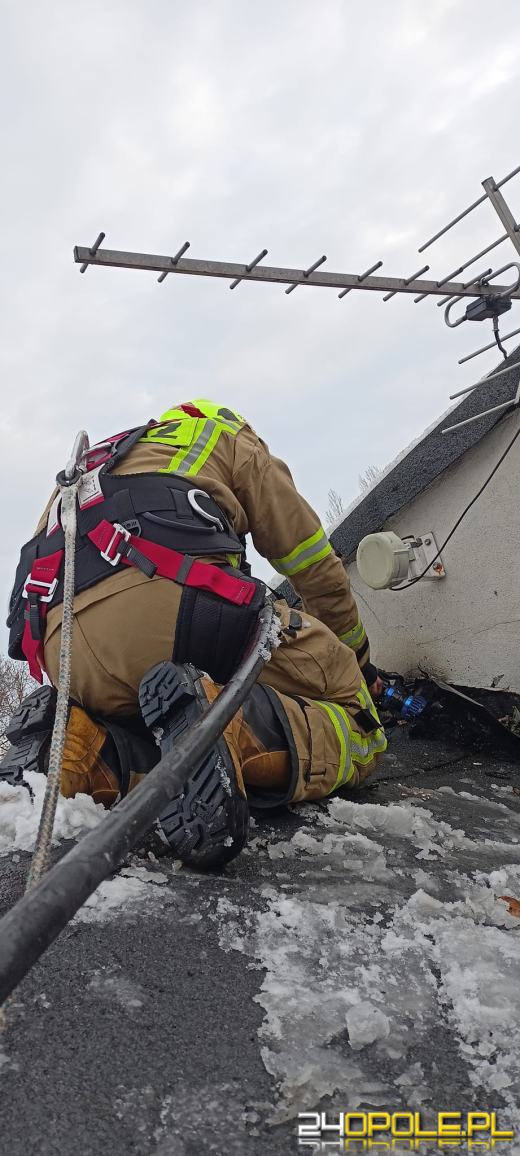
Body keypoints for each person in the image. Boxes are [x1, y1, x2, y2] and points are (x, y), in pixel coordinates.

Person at [2, 400, 386, 868]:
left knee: (153, 715)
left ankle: (92, 757)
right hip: (166, 602)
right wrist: (357, 660)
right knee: (358, 719)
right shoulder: (225, 437)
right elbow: (313, 568)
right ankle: (238, 731)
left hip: (65, 657)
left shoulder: (103, 461)